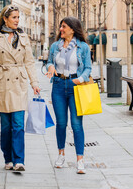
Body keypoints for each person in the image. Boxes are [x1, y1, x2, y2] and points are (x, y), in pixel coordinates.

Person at [0, 5, 41, 172]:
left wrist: (34, 83)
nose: (17, 20)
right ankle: (7, 158)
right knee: (6, 126)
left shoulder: (23, 37)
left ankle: (19, 160)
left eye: (18, 17)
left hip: (19, 84)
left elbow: (29, 62)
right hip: (1, 83)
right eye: (14, 17)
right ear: (6, 19)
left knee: (18, 124)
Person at [46, 17, 92, 174]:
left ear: (72, 29)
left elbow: (87, 68)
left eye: (64, 27)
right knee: (61, 123)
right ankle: (61, 155)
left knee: (76, 124)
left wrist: (80, 79)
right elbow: (49, 62)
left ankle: (80, 160)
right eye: (60, 26)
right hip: (58, 85)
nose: (61, 29)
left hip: (76, 86)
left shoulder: (83, 47)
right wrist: (51, 67)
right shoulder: (55, 46)